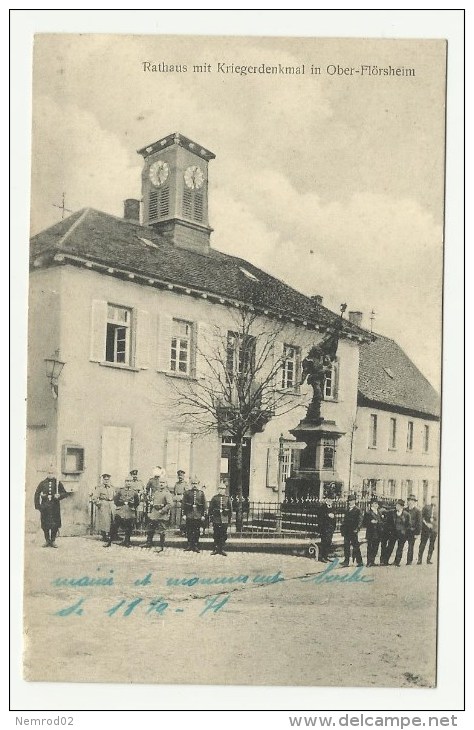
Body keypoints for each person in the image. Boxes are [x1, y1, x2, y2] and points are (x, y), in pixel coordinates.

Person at [34, 473, 70, 547]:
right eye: (49, 473)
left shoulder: (57, 483)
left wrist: (59, 495)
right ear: (47, 473)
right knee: (45, 524)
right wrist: (38, 506)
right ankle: (47, 541)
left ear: (54, 474)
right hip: (45, 507)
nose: (50, 474)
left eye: (52, 473)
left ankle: (53, 541)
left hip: (55, 507)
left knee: (55, 524)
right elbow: (37, 494)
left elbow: (65, 493)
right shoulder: (42, 483)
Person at [104, 478, 139, 548]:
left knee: (129, 527)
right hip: (120, 511)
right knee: (114, 526)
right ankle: (109, 542)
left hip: (130, 511)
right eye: (127, 481)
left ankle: (127, 541)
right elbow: (115, 500)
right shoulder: (120, 491)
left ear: (132, 482)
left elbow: (137, 502)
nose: (128, 483)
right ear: (125, 482)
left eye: (130, 481)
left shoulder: (134, 492)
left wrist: (131, 504)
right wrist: (122, 503)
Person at [142, 477, 173, 551]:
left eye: (163, 483)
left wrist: (162, 511)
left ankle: (161, 546)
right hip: (154, 513)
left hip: (161, 514)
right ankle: (149, 543)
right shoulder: (156, 492)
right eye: (160, 483)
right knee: (150, 529)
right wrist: (150, 512)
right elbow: (152, 503)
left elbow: (170, 504)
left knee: (161, 531)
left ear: (166, 484)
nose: (161, 484)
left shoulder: (167, 493)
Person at [181, 477, 207, 553]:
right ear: (190, 484)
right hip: (189, 515)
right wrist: (184, 514)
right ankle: (189, 545)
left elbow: (205, 505)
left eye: (196, 484)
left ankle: (196, 545)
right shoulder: (187, 493)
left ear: (198, 484)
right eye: (193, 484)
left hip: (198, 515)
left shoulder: (201, 493)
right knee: (189, 531)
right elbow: (183, 504)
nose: (194, 485)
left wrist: (203, 515)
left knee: (197, 531)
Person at [383, 499, 410, 566]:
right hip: (393, 533)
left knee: (400, 548)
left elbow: (408, 525)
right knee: (390, 547)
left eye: (398, 505)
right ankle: (385, 561)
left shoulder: (406, 514)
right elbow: (388, 521)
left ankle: (397, 562)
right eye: (396, 505)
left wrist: (404, 531)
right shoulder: (392, 512)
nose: (396, 507)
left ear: (402, 507)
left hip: (402, 534)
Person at [209, 482, 233, 556]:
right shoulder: (214, 498)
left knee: (223, 534)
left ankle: (221, 549)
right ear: (218, 489)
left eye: (223, 489)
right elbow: (210, 509)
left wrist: (229, 519)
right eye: (220, 489)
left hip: (224, 519)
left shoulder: (227, 498)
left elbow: (230, 509)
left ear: (225, 490)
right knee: (216, 534)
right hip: (216, 519)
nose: (221, 490)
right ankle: (216, 549)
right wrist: (211, 518)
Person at [340, 495, 363, 567]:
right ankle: (346, 561)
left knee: (355, 546)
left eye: (352, 500)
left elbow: (360, 520)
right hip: (347, 531)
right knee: (346, 546)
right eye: (349, 501)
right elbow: (345, 520)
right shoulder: (347, 509)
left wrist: (357, 529)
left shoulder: (358, 509)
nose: (350, 502)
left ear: (355, 501)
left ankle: (360, 562)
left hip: (353, 531)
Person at [93, 473, 116, 541]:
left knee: (112, 520)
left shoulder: (112, 487)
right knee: (104, 521)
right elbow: (94, 497)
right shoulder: (99, 488)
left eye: (107, 479)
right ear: (102, 480)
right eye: (105, 479)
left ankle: (112, 535)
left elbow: (115, 496)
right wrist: (99, 504)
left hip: (111, 504)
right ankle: (104, 536)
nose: (106, 481)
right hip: (104, 504)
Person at [363, 496, 384, 566]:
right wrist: (370, 522)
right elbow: (364, 523)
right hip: (371, 532)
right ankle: (369, 562)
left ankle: (373, 561)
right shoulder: (368, 513)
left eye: (377, 504)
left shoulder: (379, 512)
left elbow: (381, 521)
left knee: (376, 547)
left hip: (378, 532)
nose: (376, 505)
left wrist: (378, 522)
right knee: (370, 547)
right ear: (371, 504)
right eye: (375, 504)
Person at [418, 495, 438, 565]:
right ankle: (419, 560)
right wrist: (427, 524)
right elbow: (421, 517)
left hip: (434, 530)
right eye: (433, 499)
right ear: (431, 500)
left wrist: (435, 525)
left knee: (432, 545)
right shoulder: (426, 507)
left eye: (435, 500)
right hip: (425, 529)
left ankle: (428, 559)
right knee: (422, 544)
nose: (434, 501)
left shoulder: (439, 509)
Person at [318, 495, 337, 562]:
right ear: (326, 499)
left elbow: (335, 517)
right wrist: (327, 515)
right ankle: (322, 557)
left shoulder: (333, 507)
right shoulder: (322, 507)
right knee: (324, 542)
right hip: (324, 527)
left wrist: (334, 526)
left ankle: (326, 556)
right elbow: (320, 516)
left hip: (331, 528)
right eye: (329, 499)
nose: (330, 501)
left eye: (331, 500)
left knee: (329, 542)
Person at [405, 494, 422, 565]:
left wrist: (417, 533)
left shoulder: (417, 511)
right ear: (408, 501)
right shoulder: (405, 509)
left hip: (412, 531)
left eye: (412, 501)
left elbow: (419, 523)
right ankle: (397, 560)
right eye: (409, 500)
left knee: (410, 546)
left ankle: (409, 561)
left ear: (414, 502)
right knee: (400, 545)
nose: (410, 502)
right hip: (404, 531)